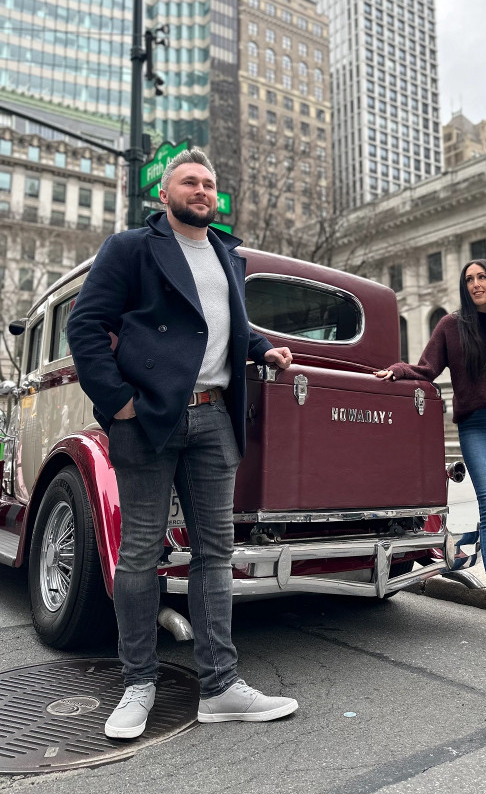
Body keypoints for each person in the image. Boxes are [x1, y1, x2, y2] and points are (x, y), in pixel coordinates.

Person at [67, 149, 298, 740]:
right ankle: (138, 683)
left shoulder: (226, 253)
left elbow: (224, 324)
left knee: (216, 555)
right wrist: (118, 403)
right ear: (164, 195)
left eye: (210, 184)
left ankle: (220, 687)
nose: (202, 190)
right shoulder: (131, 248)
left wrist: (261, 347)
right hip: (149, 419)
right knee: (141, 552)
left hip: (214, 418)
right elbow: (85, 326)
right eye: (190, 182)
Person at [374, 259, 486, 660]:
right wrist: (400, 371)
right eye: (469, 279)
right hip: (477, 428)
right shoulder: (451, 327)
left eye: (482, 277)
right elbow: (427, 369)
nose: (476, 284)